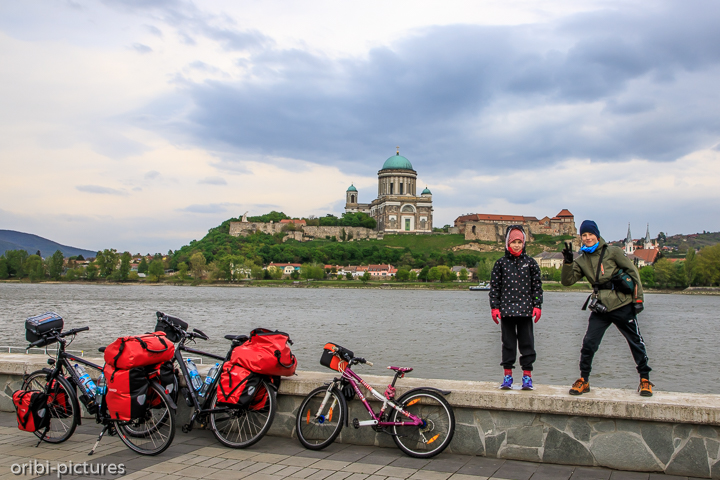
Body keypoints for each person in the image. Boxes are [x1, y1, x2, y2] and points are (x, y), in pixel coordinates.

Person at [561, 220, 652, 396]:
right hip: (600, 307)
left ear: (597, 234)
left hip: (621, 304)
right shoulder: (582, 260)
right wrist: (567, 262)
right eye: (584, 235)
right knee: (589, 344)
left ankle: (645, 379)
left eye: (590, 234)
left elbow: (633, 273)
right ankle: (584, 380)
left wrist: (638, 299)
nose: (587, 238)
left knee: (635, 341)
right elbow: (567, 281)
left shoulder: (613, 252)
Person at [489, 225, 543, 390]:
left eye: (520, 242)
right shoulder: (500, 264)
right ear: (507, 244)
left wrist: (537, 305)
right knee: (508, 344)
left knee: (527, 344)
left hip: (526, 311)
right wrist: (495, 307)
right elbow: (495, 288)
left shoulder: (531, 263)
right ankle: (507, 376)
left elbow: (537, 286)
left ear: (524, 243)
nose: (517, 245)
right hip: (506, 312)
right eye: (514, 242)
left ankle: (527, 377)